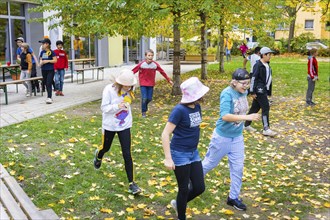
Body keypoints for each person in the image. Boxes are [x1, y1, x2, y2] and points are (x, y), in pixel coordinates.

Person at [202, 68, 260, 211]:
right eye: (243, 84)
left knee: (238, 168)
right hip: (222, 137)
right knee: (209, 164)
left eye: (248, 83)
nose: (246, 86)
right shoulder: (226, 93)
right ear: (234, 82)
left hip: (237, 137)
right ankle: (191, 181)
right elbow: (225, 116)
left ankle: (233, 198)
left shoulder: (244, 92)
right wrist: (247, 117)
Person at [161, 77, 209, 220]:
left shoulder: (197, 106)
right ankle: (181, 216)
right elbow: (165, 134)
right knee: (183, 189)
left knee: (199, 187)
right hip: (179, 153)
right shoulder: (179, 110)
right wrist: (168, 158)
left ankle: (178, 204)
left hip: (193, 152)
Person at [93, 69, 141, 195]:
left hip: (125, 125)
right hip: (110, 125)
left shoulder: (130, 89)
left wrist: (127, 102)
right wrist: (117, 107)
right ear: (119, 83)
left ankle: (132, 184)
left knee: (127, 153)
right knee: (106, 148)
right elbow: (104, 108)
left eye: (130, 85)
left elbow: (128, 100)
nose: (128, 87)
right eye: (125, 85)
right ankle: (99, 155)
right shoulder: (109, 90)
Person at [244, 47, 277, 136]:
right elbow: (253, 78)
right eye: (269, 54)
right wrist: (252, 91)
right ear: (264, 55)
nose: (270, 56)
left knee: (255, 108)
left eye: (270, 55)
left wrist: (268, 91)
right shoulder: (258, 65)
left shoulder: (267, 65)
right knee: (265, 107)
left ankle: (246, 125)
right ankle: (266, 129)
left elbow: (268, 79)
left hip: (263, 90)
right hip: (259, 90)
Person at [132, 49, 173, 117]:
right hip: (143, 84)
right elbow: (133, 71)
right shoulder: (141, 64)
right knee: (144, 98)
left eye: (152, 55)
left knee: (149, 98)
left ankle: (144, 105)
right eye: (149, 55)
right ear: (146, 56)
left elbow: (162, 72)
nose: (150, 57)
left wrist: (168, 80)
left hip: (151, 84)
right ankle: (143, 112)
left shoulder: (155, 65)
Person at [39, 38, 57, 104]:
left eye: (43, 44)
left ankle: (49, 97)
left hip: (50, 70)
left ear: (47, 44)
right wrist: (41, 62)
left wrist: (47, 61)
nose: (42, 45)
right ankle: (49, 96)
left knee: (49, 82)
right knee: (46, 83)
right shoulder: (42, 52)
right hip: (43, 70)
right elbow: (41, 59)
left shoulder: (52, 52)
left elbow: (55, 60)